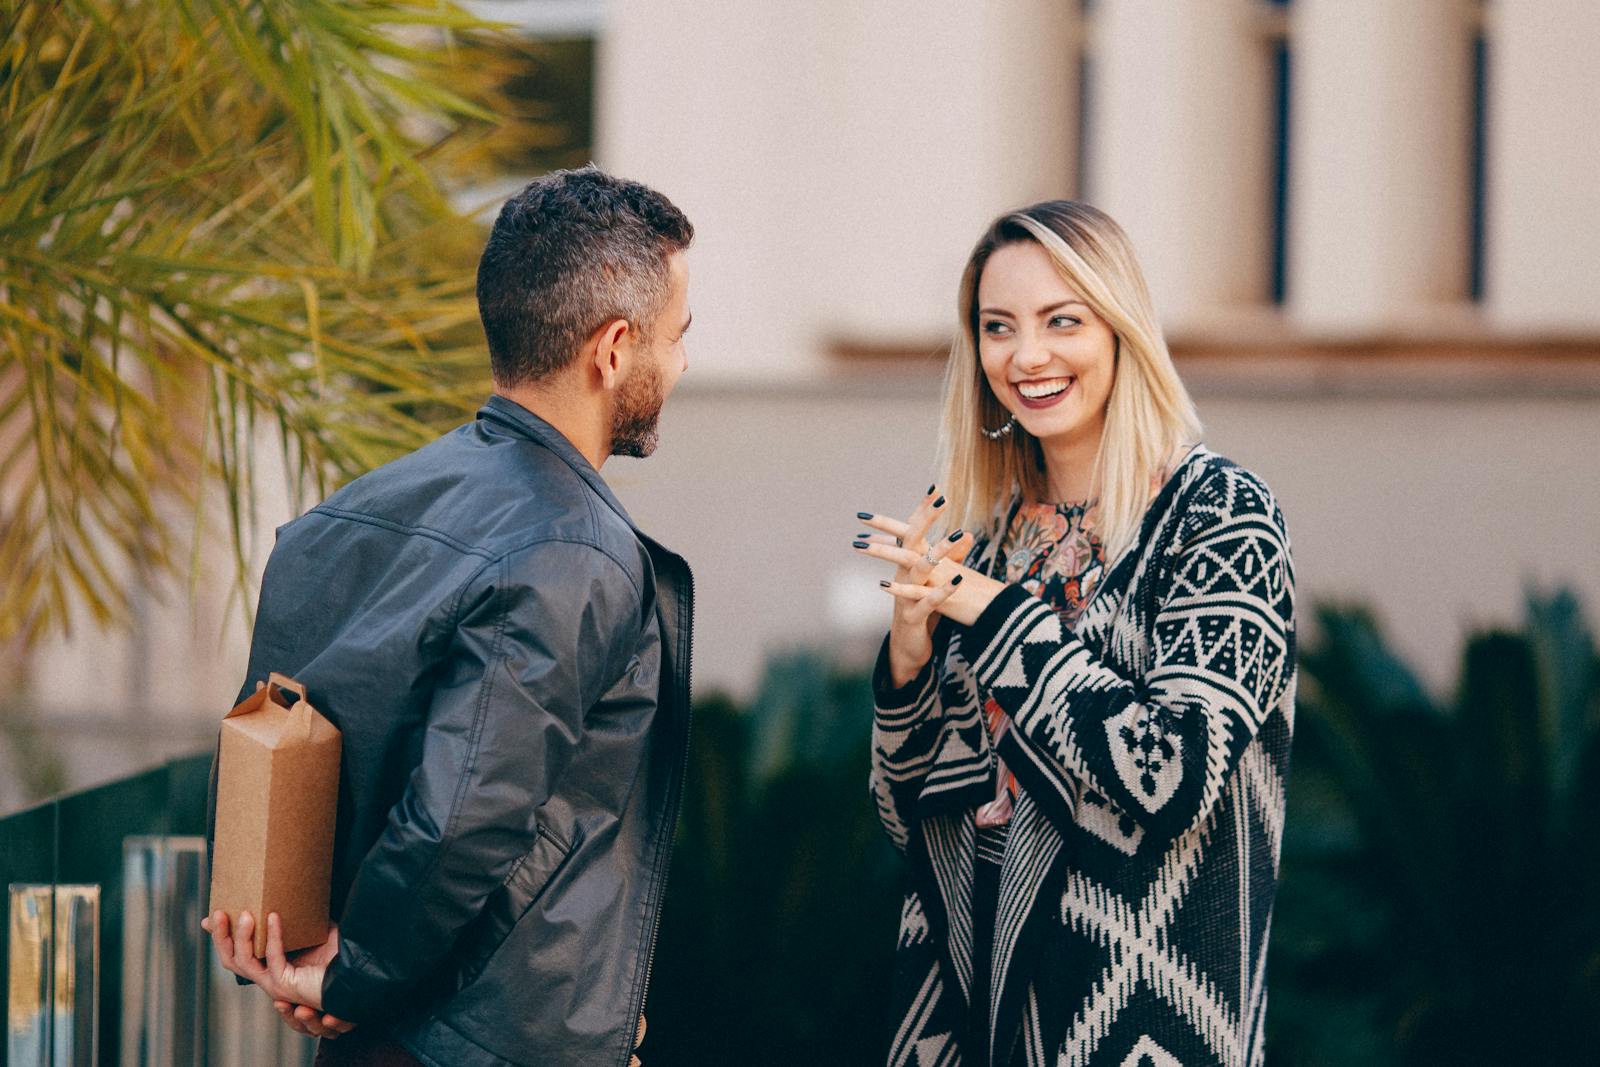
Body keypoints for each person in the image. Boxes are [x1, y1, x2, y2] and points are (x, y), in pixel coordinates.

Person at [201, 166, 696, 1067]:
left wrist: (299, 961)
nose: (686, 361)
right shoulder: (574, 547)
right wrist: (355, 974)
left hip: (366, 1030)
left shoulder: (355, 508)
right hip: (490, 1040)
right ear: (614, 349)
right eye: (677, 335)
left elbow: (274, 738)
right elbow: (463, 813)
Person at [852, 200, 1296, 1067]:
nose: (1028, 356)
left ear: (1122, 330)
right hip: (969, 1024)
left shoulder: (1221, 519)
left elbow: (1172, 770)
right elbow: (908, 819)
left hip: (1143, 1031)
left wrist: (997, 617)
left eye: (1064, 321)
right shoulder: (985, 538)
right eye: (998, 327)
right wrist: (906, 662)